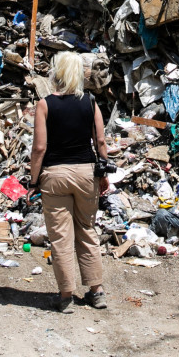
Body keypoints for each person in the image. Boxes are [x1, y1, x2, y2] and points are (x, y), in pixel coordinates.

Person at [28, 52, 109, 313]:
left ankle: (66, 297)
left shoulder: (45, 104)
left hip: (55, 175)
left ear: (57, 73)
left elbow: (39, 148)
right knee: (87, 230)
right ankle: (96, 292)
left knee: (61, 237)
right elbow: (101, 142)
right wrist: (103, 174)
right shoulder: (90, 102)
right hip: (86, 174)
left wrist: (33, 181)